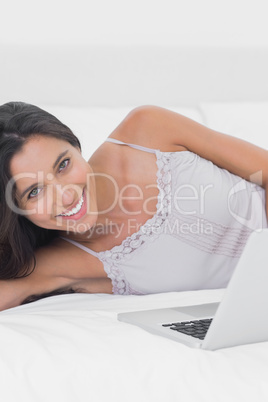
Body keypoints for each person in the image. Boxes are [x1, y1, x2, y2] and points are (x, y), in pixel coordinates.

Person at [0, 101, 267, 311]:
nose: (66, 197)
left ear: (76, 146)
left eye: (63, 165)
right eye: (34, 192)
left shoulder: (147, 129)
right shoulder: (61, 263)